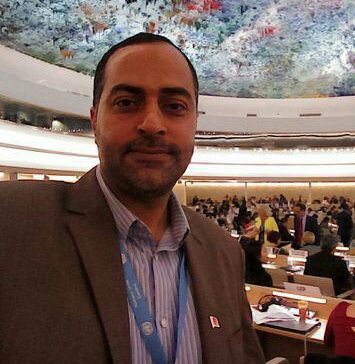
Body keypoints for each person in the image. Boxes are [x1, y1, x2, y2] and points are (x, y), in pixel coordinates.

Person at [0, 33, 264, 363]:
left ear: (194, 124)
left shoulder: (223, 252)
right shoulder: (12, 223)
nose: (152, 124)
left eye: (174, 107)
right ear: (95, 121)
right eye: (127, 102)